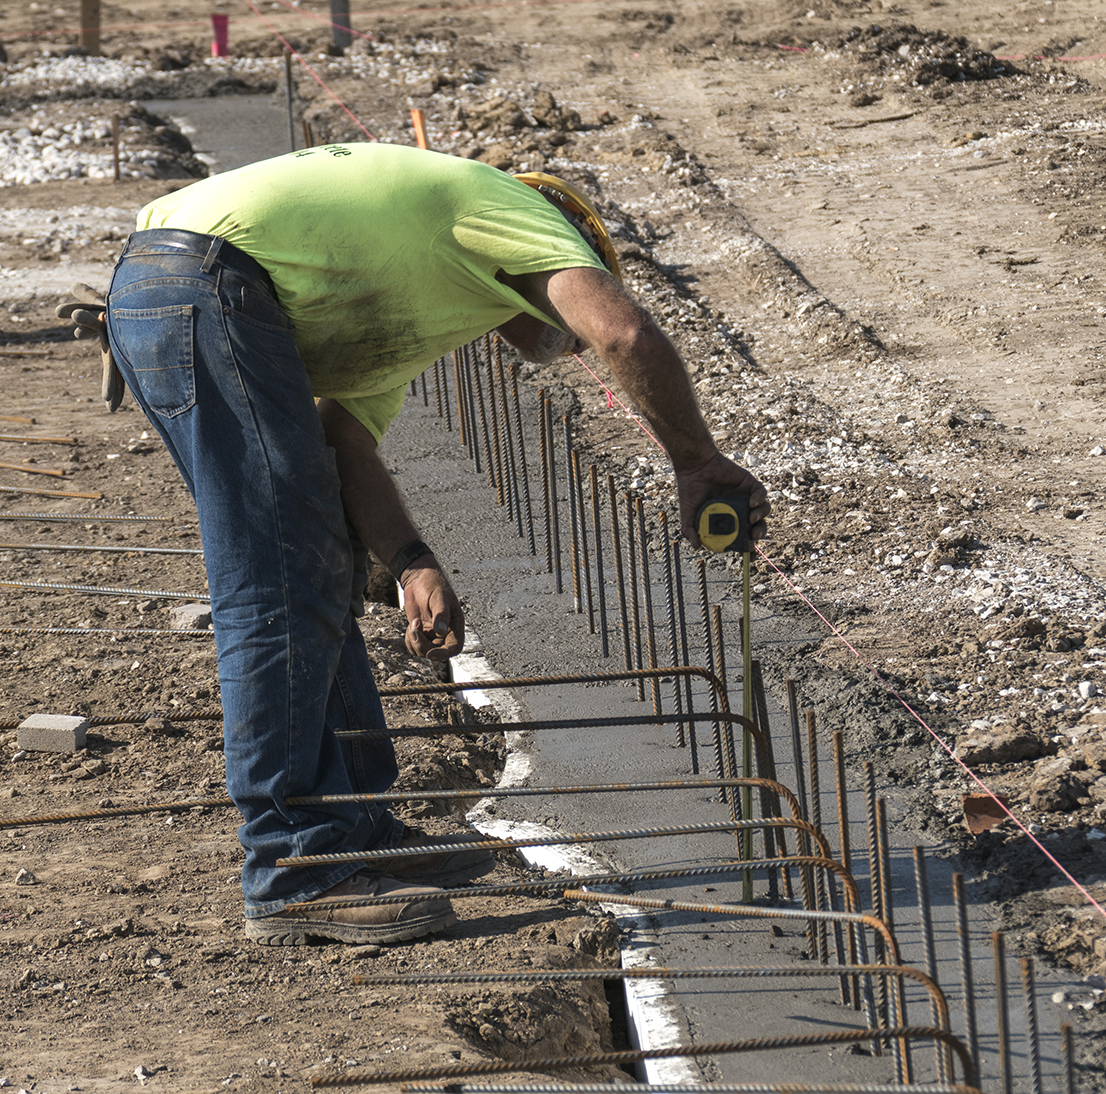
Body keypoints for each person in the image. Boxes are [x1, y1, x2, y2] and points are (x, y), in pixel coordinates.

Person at [59, 142, 770, 948]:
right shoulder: (522, 216)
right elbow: (624, 332)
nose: (565, 347)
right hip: (203, 285)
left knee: (317, 564)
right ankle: (295, 869)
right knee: (277, 581)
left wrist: (409, 561)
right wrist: (697, 463)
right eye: (561, 324)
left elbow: (344, 443)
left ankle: (356, 832)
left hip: (194, 289)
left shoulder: (412, 292)